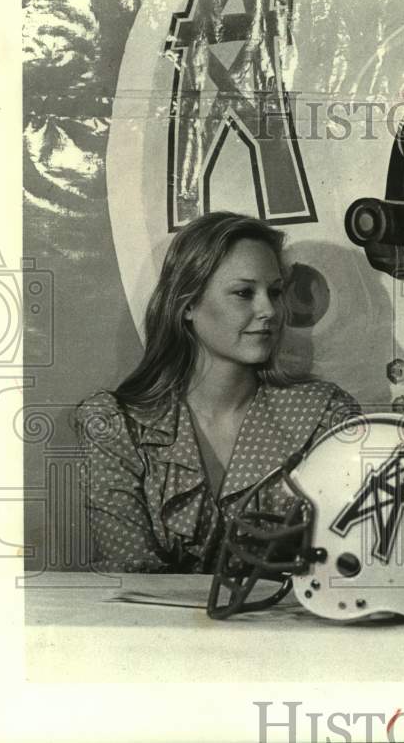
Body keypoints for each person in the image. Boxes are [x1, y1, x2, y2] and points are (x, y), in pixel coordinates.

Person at [76, 212, 359, 573]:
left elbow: (350, 558)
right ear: (188, 304)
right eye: (244, 293)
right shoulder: (113, 426)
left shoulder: (324, 415)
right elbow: (132, 570)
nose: (269, 310)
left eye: (274, 292)